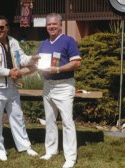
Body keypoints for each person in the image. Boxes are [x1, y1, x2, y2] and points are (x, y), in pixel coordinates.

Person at [0, 15, 39, 161]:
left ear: (7, 27)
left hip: (12, 87)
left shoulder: (13, 42)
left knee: (18, 117)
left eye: (1, 27)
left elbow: (21, 59)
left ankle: (25, 146)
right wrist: (9, 72)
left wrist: (32, 58)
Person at [38, 13, 81, 168]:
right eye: (49, 24)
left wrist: (57, 69)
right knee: (49, 120)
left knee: (67, 122)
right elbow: (39, 62)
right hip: (48, 85)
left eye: (54, 24)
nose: (51, 27)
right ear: (46, 26)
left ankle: (70, 157)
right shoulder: (43, 43)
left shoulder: (68, 41)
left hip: (64, 85)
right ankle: (51, 150)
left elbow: (76, 63)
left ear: (60, 25)